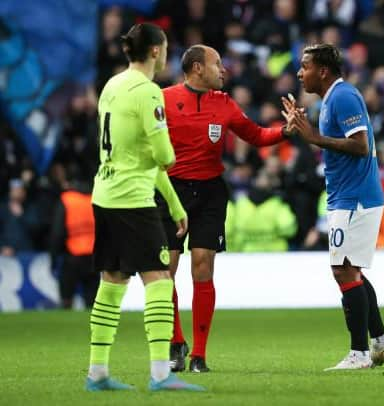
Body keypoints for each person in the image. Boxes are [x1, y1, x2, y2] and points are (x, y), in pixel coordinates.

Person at [159, 44, 291, 373]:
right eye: (217, 63)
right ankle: (176, 341)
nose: (224, 70)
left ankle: (198, 355)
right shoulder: (162, 99)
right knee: (166, 272)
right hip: (170, 191)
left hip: (209, 193)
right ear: (197, 68)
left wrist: (287, 131)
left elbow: (257, 136)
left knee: (202, 267)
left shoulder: (225, 103)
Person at [87, 23, 203, 392]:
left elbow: (134, 155)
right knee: (158, 279)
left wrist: (173, 204)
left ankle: (98, 373)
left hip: (104, 193)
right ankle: (160, 375)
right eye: (165, 47)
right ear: (156, 51)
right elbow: (163, 156)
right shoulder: (149, 91)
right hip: (133, 200)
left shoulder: (111, 86)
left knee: (112, 282)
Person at [283, 43, 384, 370]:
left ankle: (359, 353)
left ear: (322, 70)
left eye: (304, 66)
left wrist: (314, 138)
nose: (299, 73)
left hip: (355, 198)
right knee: (352, 270)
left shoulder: (343, 96)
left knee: (343, 270)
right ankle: (380, 342)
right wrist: (305, 132)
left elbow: (361, 146)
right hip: (347, 197)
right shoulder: (332, 99)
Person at [49, 179, 99, 309]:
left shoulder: (66, 199)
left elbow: (57, 232)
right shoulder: (94, 198)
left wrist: (54, 258)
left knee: (66, 298)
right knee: (93, 301)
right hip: (93, 256)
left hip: (72, 255)